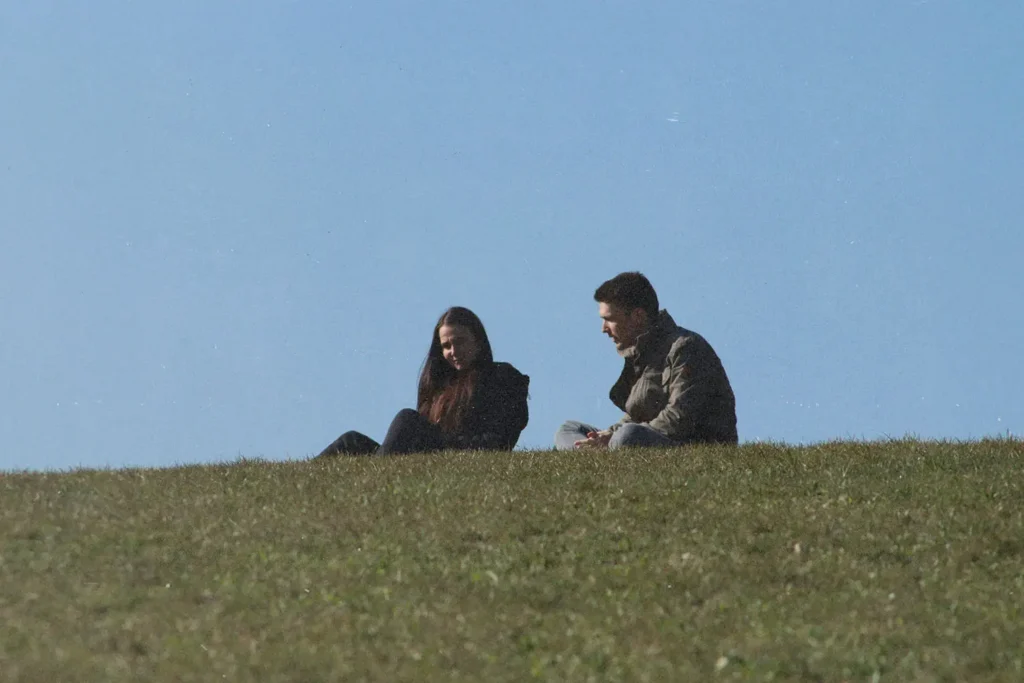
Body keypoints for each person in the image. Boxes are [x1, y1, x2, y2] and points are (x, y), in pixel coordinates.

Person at [555, 272, 737, 450]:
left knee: (627, 436)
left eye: (609, 320)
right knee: (569, 429)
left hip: (689, 445)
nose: (604, 329)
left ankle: (599, 453)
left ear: (638, 317)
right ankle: (593, 451)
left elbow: (680, 417)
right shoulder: (642, 354)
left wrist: (613, 438)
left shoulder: (686, 347)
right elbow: (637, 415)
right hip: (648, 437)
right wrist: (607, 434)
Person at [317, 306, 529, 457]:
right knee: (351, 441)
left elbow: (499, 440)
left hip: (458, 453)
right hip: (428, 450)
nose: (453, 351)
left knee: (407, 419)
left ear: (478, 341)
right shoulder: (440, 385)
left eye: (460, 342)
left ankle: (377, 477)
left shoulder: (501, 376)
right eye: (446, 346)